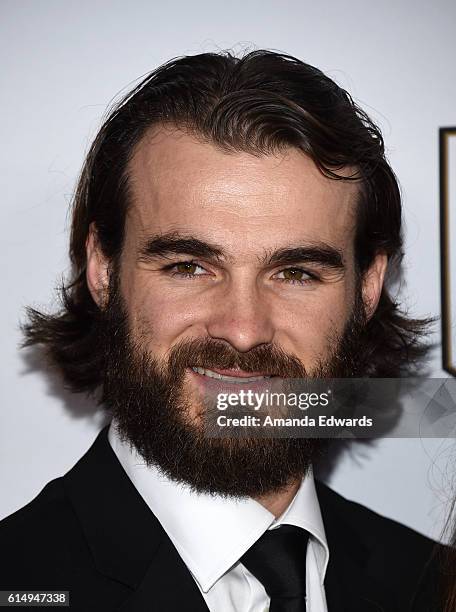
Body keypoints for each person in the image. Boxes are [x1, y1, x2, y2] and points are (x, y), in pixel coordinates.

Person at [0, 50, 442, 611]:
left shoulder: (433, 585)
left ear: (369, 286)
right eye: (188, 267)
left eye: (295, 273)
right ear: (102, 269)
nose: (241, 329)